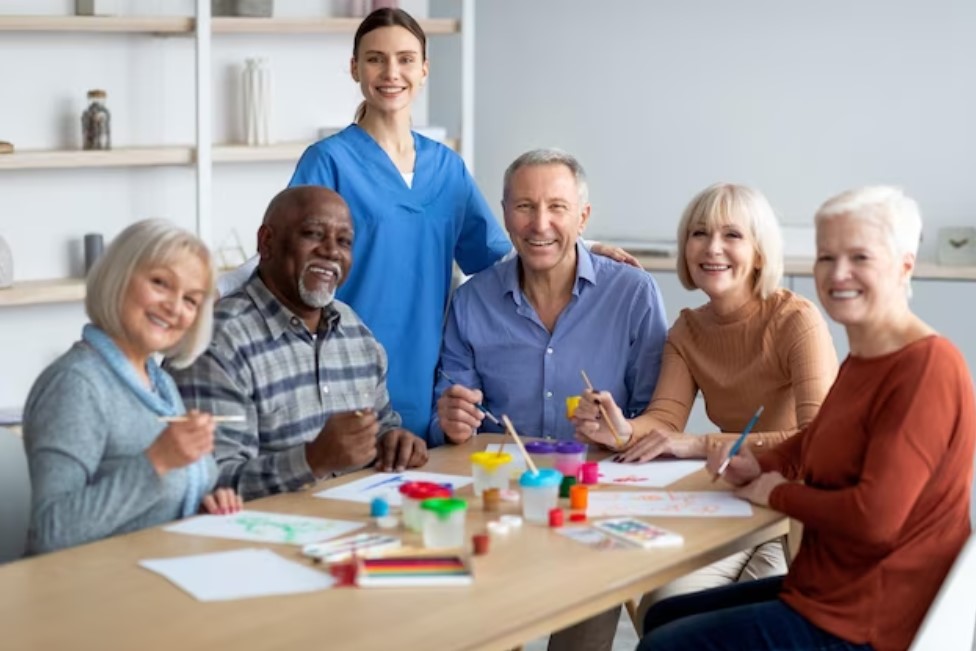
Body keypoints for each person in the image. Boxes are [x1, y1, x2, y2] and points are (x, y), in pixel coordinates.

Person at [221, 8, 637, 438]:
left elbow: (503, 254)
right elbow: (278, 262)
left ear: (424, 70)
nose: (390, 72)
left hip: (424, 378)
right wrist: (212, 295)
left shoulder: (447, 169)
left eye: (404, 59)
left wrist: (580, 250)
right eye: (375, 59)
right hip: (340, 372)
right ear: (354, 68)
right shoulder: (328, 161)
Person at [637, 185, 976, 651]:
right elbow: (818, 436)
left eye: (860, 258)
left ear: (904, 265)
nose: (838, 275)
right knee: (662, 615)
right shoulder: (865, 358)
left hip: (871, 616)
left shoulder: (926, 367)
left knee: (666, 645)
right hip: (829, 589)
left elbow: (875, 519)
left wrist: (777, 492)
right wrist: (763, 463)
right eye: (825, 258)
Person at [575, 183, 838, 609]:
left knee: (744, 620)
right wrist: (620, 429)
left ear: (759, 251)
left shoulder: (797, 322)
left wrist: (701, 444)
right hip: (733, 505)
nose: (712, 248)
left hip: (800, 516)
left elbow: (820, 442)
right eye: (699, 233)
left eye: (732, 235)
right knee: (662, 610)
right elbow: (665, 420)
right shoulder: (687, 331)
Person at [172, 187, 428, 501]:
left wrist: (394, 443)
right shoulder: (216, 342)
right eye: (313, 234)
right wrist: (312, 460)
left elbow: (383, 424)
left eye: (344, 241)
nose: (332, 251)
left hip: (354, 529)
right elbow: (206, 484)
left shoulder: (355, 331)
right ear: (267, 242)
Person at [23, 219, 241, 555]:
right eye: (160, 283)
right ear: (118, 276)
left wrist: (203, 504)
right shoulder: (77, 384)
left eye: (191, 300)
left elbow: (149, 508)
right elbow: (51, 531)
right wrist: (157, 462)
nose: (174, 307)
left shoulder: (160, 382)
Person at [431, 148, 668, 447]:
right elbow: (448, 418)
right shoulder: (470, 303)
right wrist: (452, 423)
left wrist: (624, 431)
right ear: (504, 214)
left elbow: (658, 415)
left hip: (604, 479)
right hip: (504, 481)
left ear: (582, 218)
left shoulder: (633, 295)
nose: (540, 224)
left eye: (557, 207)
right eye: (525, 206)